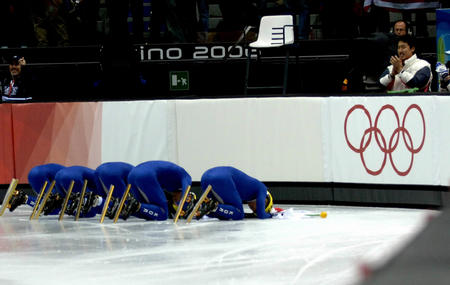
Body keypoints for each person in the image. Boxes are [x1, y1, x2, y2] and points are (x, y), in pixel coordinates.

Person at [195, 166, 274, 221]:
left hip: (205, 176)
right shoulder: (262, 188)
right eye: (264, 204)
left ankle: (194, 206)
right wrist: (272, 215)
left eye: (254, 210)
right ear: (266, 197)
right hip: (223, 178)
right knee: (239, 214)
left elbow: (217, 214)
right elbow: (261, 215)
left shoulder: (246, 192)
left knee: (212, 213)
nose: (254, 207)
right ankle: (214, 206)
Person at [126, 160, 194, 221]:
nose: (175, 200)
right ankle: (135, 205)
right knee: (163, 213)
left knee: (149, 213)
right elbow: (185, 194)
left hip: (132, 175)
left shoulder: (172, 184)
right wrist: (184, 207)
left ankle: (125, 207)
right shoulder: (186, 176)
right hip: (146, 175)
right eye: (176, 200)